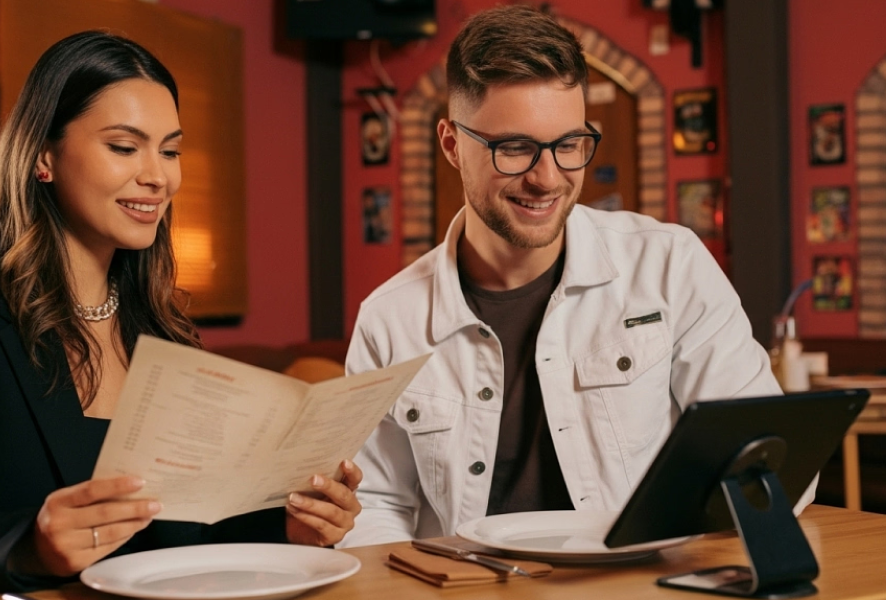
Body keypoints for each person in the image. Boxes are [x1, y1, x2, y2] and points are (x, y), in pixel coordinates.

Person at [338, 4, 810, 548]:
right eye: (514, 148)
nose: (547, 178)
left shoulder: (670, 267)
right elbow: (376, 507)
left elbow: (773, 466)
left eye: (568, 145)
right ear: (452, 145)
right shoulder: (388, 320)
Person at [0, 31, 361, 593]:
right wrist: (27, 545)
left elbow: (186, 532)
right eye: (125, 147)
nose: (159, 176)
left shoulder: (162, 327)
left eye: (170, 150)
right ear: (43, 156)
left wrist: (290, 525)